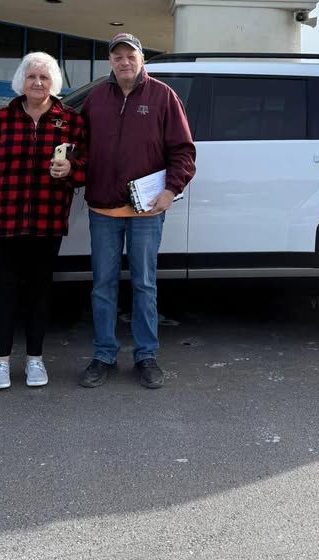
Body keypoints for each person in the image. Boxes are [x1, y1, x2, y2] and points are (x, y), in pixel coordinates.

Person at [78, 33, 195, 389]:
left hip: (146, 212)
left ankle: (146, 356)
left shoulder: (163, 97)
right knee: (102, 286)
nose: (124, 61)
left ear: (142, 59)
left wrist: (171, 189)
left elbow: (183, 151)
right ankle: (103, 355)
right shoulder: (96, 98)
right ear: (110, 62)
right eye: (117, 56)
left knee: (144, 285)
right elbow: (78, 147)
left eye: (130, 55)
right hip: (103, 209)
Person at [0, 51, 86, 390]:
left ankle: (35, 359)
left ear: (53, 83)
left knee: (38, 293)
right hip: (3, 221)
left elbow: (85, 167)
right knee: (3, 292)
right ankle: (0, 362)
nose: (37, 83)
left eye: (44, 78)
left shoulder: (71, 121)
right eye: (32, 77)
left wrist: (71, 170)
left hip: (47, 222)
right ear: (22, 80)